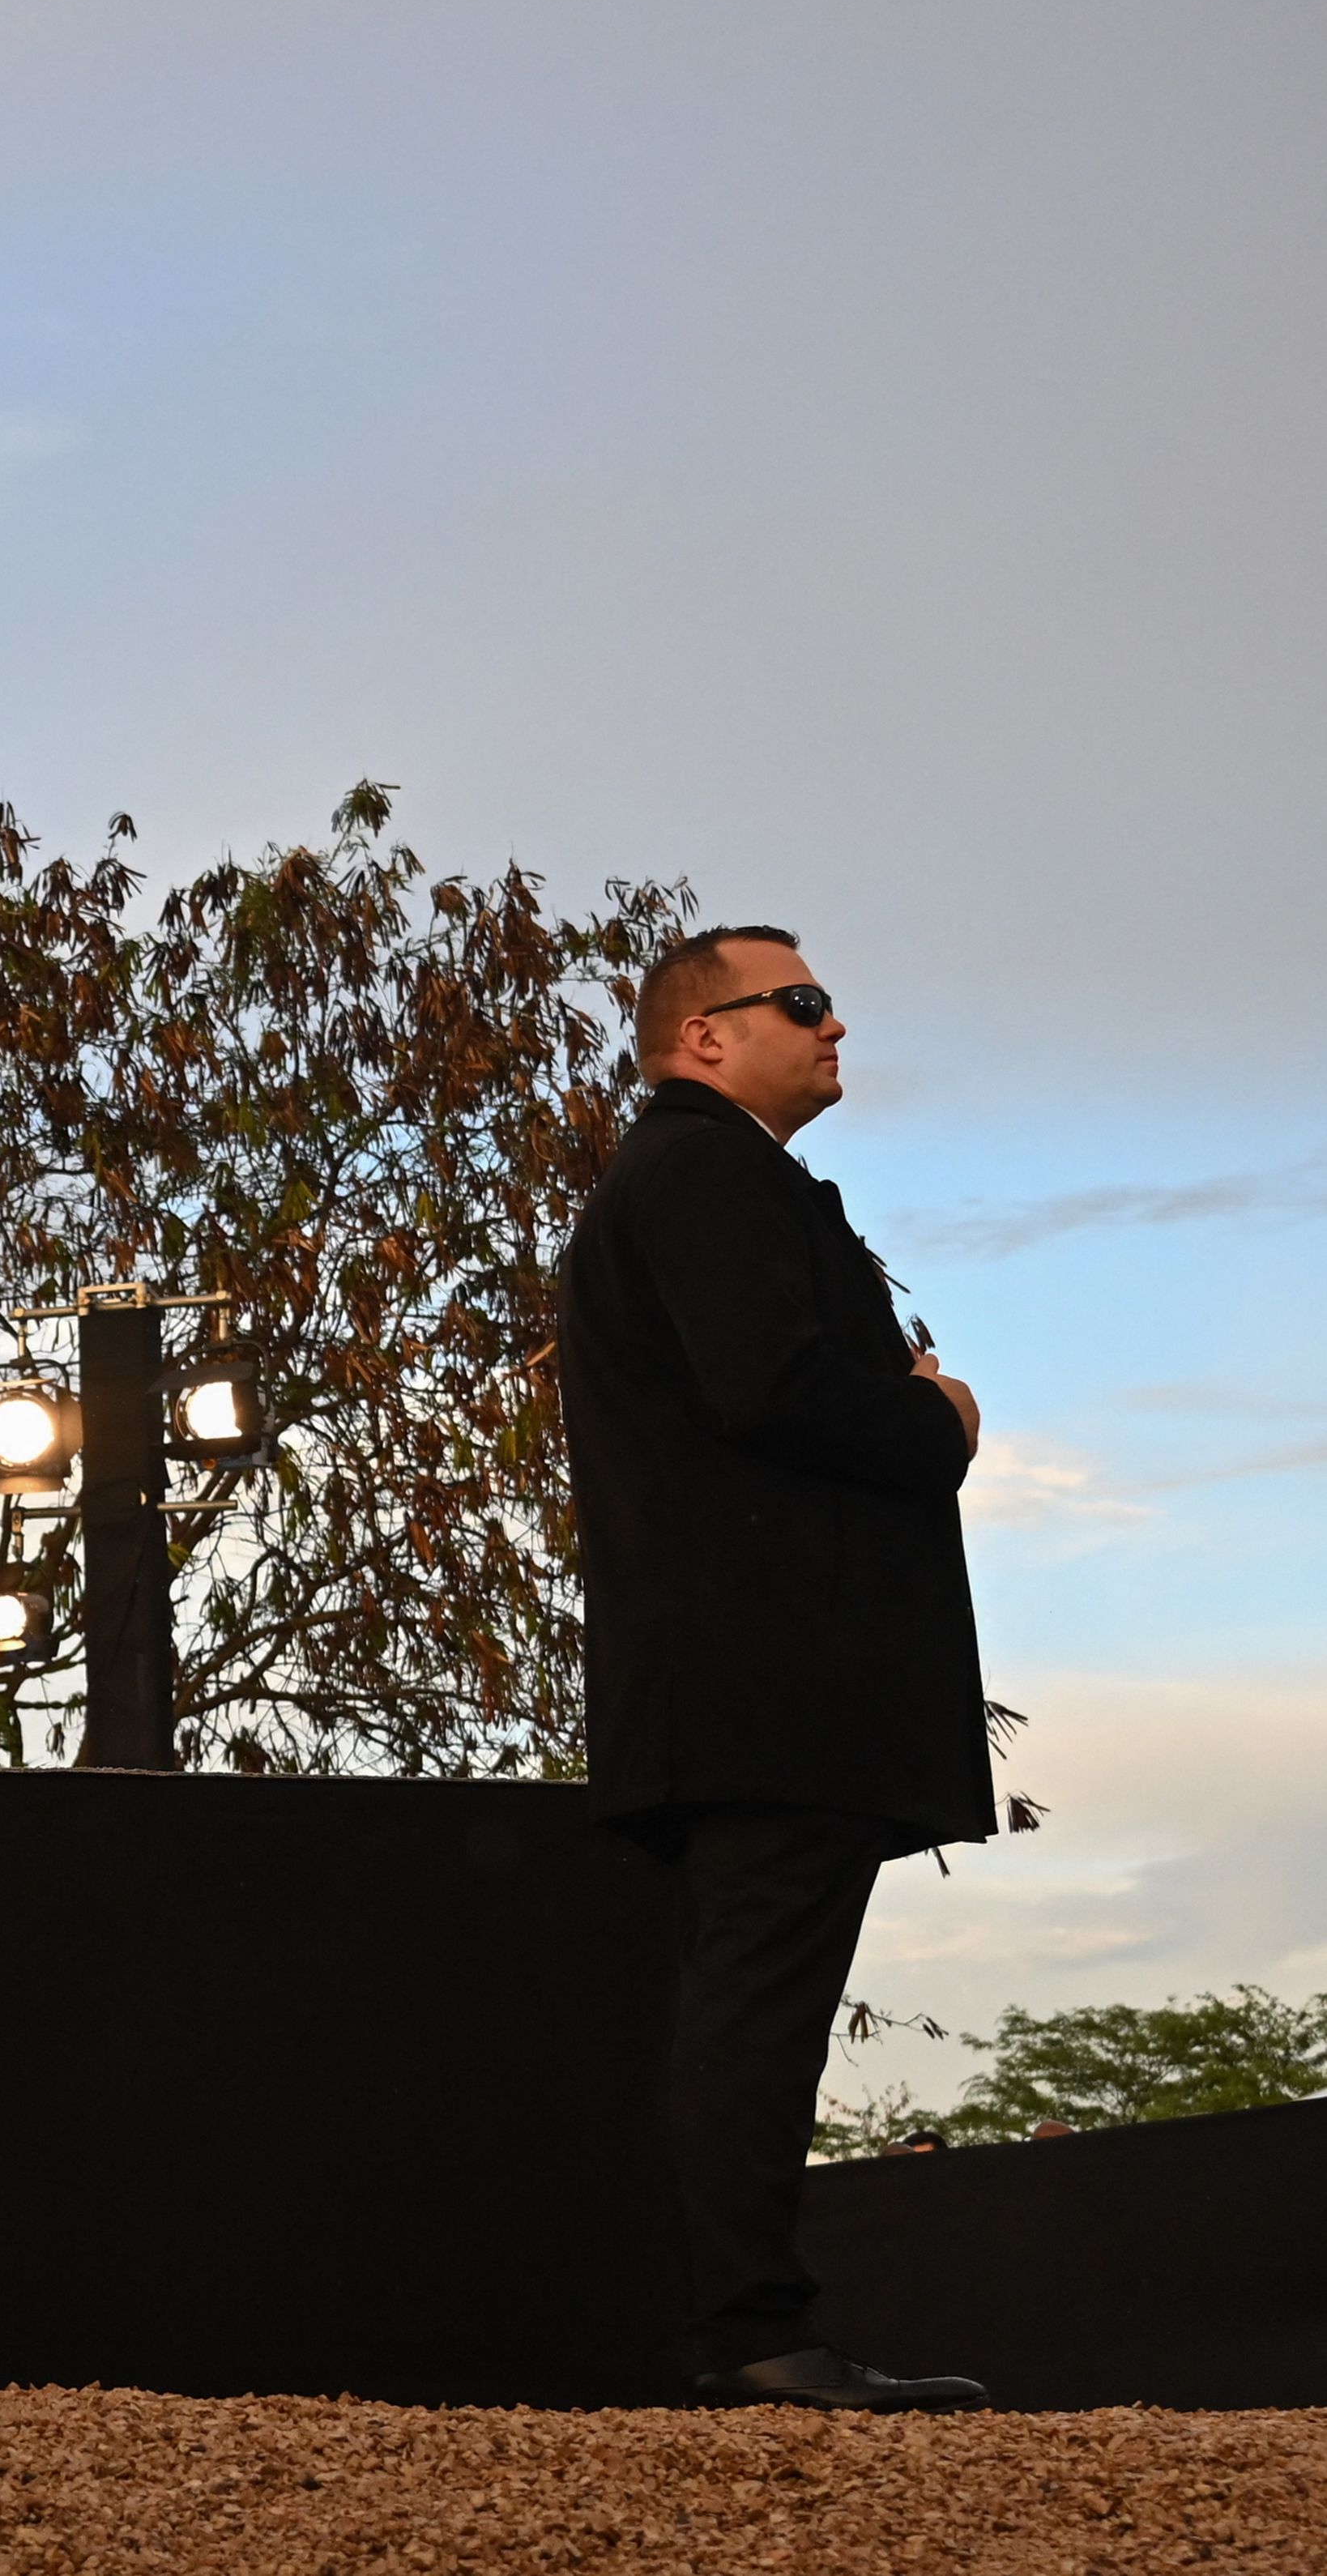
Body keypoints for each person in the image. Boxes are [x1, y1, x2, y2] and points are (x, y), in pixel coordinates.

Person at [561, 923, 991, 2411]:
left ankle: (750, 2323)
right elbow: (774, 1389)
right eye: (799, 1003)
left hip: (750, 1681)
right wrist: (934, 1420)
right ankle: (750, 2329)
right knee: (754, 1995)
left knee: (751, 1992)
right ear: (703, 1037)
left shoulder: (697, 1176)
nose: (834, 1025)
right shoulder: (700, 1171)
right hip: (774, 1684)